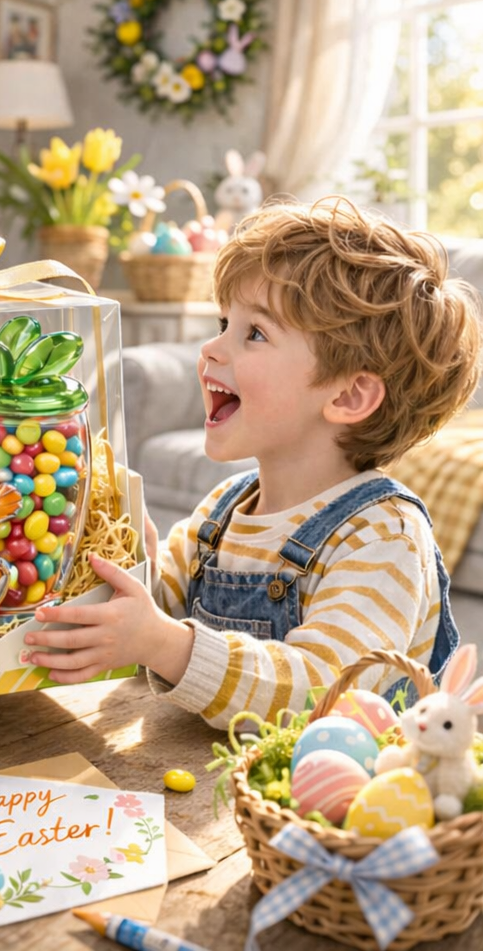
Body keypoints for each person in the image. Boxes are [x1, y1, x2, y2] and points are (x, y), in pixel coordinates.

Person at [25, 197, 483, 726]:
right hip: (207, 783)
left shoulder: (384, 539)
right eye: (223, 322)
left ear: (349, 397)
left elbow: (323, 691)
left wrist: (165, 644)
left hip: (324, 801)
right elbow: (158, 613)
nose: (210, 350)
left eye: (255, 333)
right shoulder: (224, 508)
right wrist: (135, 567)